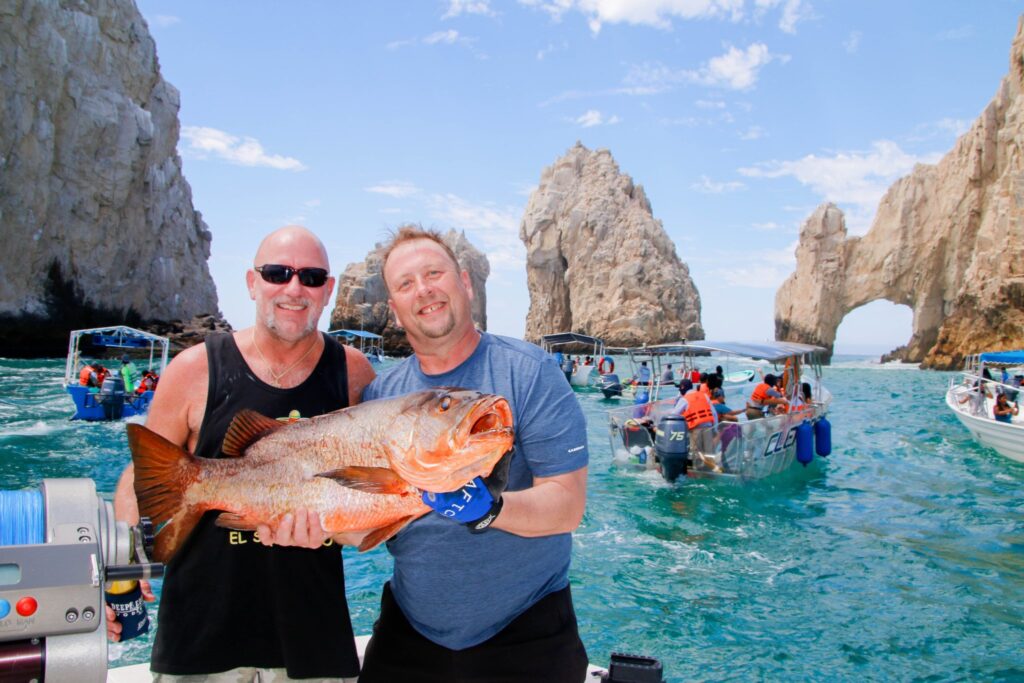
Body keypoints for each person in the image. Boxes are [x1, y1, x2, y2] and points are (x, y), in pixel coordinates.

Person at [109, 225, 375, 682]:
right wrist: (123, 570)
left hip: (312, 636)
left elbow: (371, 489)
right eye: (278, 273)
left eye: (311, 277)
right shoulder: (193, 369)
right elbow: (146, 472)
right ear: (253, 283)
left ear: (328, 291)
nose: (294, 288)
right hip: (200, 634)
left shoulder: (353, 372)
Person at [345, 226, 589, 682]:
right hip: (410, 628)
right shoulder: (380, 395)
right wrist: (308, 525)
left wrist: (489, 509)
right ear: (395, 312)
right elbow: (369, 519)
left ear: (465, 284)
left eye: (434, 273)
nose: (425, 290)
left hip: (527, 629)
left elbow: (567, 505)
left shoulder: (531, 373)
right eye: (406, 284)